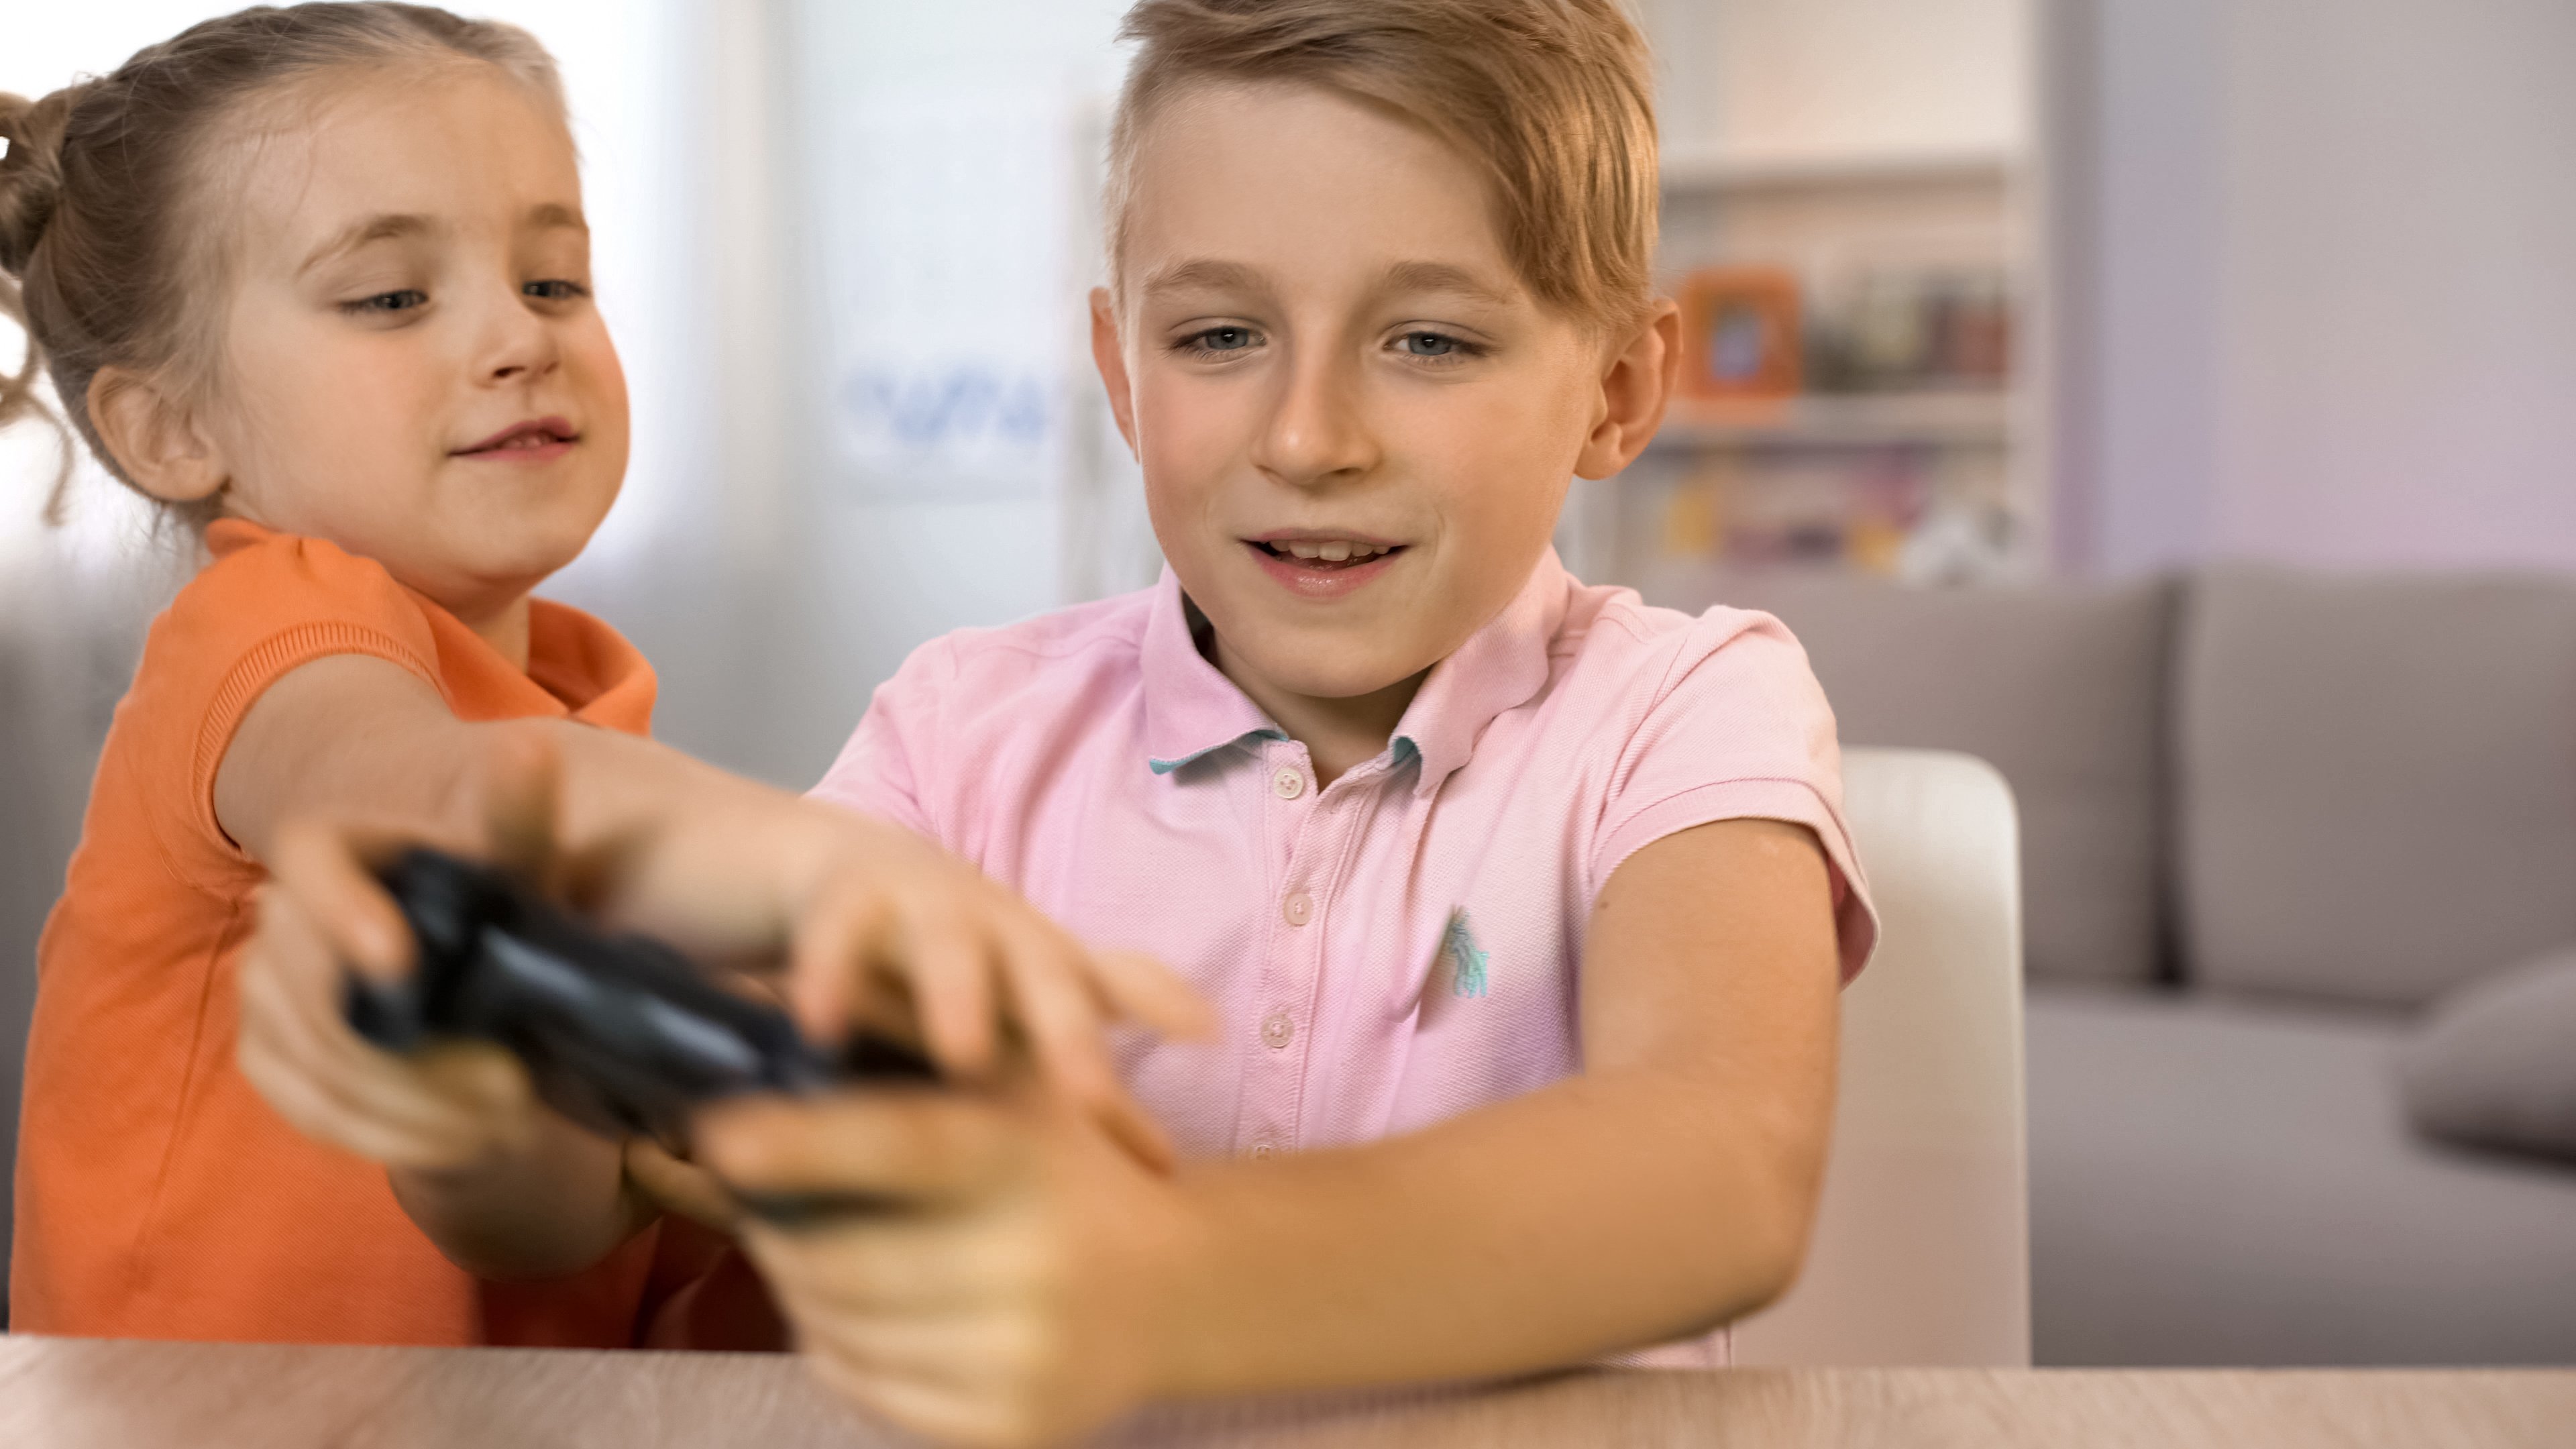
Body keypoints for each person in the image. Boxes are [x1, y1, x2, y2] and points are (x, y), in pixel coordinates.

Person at [701, 0, 1880, 1442]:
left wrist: (1147, 1273)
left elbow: (1717, 1168)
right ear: (1122, 371)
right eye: (1218, 334)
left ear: (1619, 388)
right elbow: (714, 1068)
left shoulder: (1688, 708)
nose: (1310, 438)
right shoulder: (962, 732)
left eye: (1431, 342)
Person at [0, 2, 1196, 1348]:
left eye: (554, 280)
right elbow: (452, 814)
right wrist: (827, 876)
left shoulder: (581, 703)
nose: (520, 338)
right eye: (394, 297)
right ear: (169, 428)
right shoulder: (262, 639)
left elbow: (597, 1216)